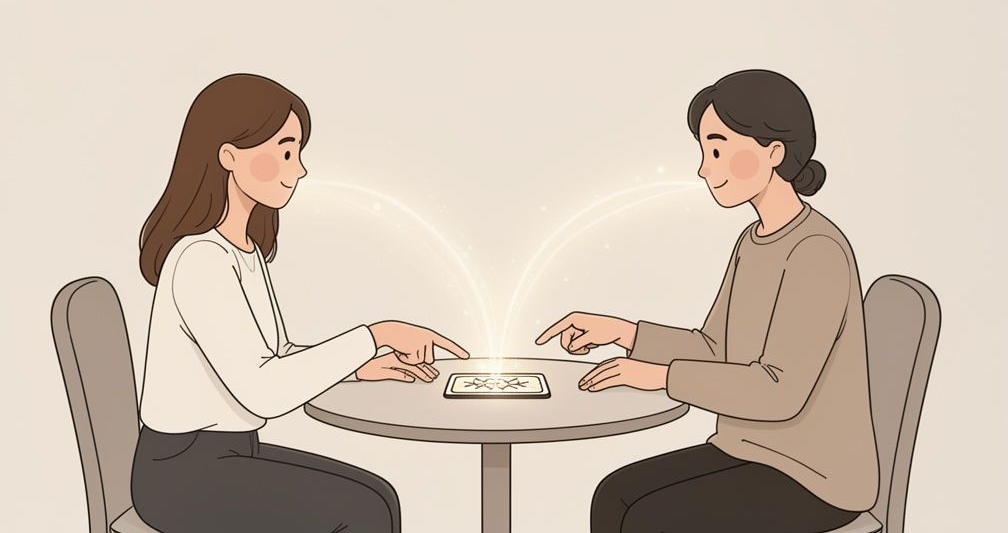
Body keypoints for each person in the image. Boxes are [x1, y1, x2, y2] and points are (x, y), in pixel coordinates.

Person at [535, 69, 880, 532]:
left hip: (814, 479)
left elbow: (779, 391)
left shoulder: (817, 251)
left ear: (773, 152)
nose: (703, 167)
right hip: (747, 451)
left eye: (717, 149)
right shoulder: (752, 241)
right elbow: (715, 349)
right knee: (614, 496)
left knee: (646, 518)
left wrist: (659, 377)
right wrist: (625, 334)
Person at [133, 73, 470, 533]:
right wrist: (376, 336)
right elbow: (263, 389)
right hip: (181, 474)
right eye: (285, 151)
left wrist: (357, 366)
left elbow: (274, 357)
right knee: (363, 512)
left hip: (228, 454)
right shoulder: (200, 259)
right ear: (229, 155)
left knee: (380, 496)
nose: (300, 168)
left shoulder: (245, 250)